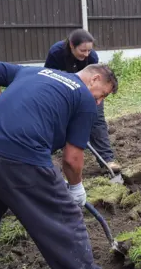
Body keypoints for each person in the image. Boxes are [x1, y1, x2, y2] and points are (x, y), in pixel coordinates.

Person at [0, 59, 118, 269]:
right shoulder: (83, 95)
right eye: (103, 94)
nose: (99, 102)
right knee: (65, 223)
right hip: (21, 158)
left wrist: (2, 102)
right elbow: (71, 158)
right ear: (94, 78)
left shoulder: (33, 72)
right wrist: (76, 187)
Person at [45, 29, 120, 173]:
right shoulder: (56, 53)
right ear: (72, 45)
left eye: (89, 50)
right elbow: (50, 77)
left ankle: (107, 159)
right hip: (62, 91)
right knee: (58, 121)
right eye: (83, 50)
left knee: (96, 118)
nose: (86, 54)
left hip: (89, 91)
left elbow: (95, 82)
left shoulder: (92, 57)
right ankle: (46, 159)